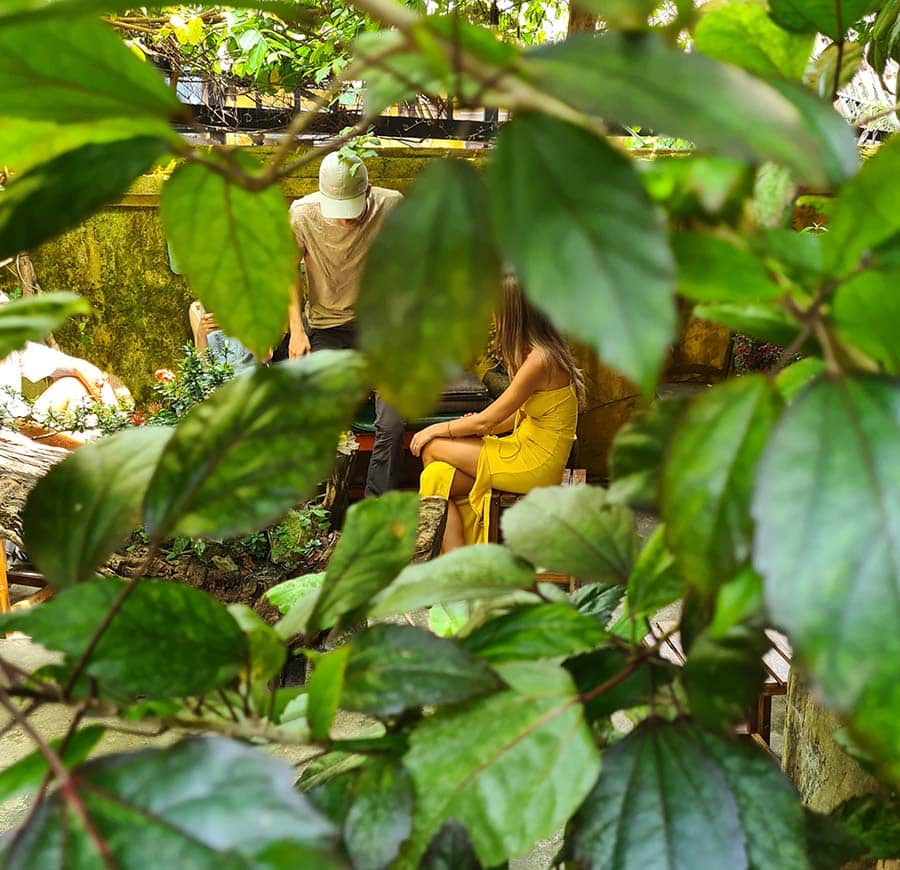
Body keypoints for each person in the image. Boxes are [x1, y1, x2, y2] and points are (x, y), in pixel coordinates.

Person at [412, 276, 585, 552]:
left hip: (536, 462)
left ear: (514, 314)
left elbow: (489, 419)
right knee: (436, 476)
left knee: (431, 448)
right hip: (523, 445)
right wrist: (475, 427)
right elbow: (506, 418)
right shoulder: (534, 353)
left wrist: (436, 429)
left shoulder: (540, 361)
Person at [287, 151, 405, 497]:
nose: (345, 222)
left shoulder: (391, 206)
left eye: (352, 212)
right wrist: (296, 330)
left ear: (368, 192)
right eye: (338, 213)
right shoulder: (302, 215)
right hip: (327, 328)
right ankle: (316, 513)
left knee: (392, 423)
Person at [0, 291, 125, 446]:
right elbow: (14, 428)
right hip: (11, 441)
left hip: (26, 428)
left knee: (72, 386)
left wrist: (115, 419)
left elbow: (79, 367)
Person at [188, 301, 260, 375]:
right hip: (220, 381)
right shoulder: (197, 309)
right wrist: (201, 334)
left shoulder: (249, 301)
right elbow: (203, 366)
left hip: (251, 377)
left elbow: (266, 356)